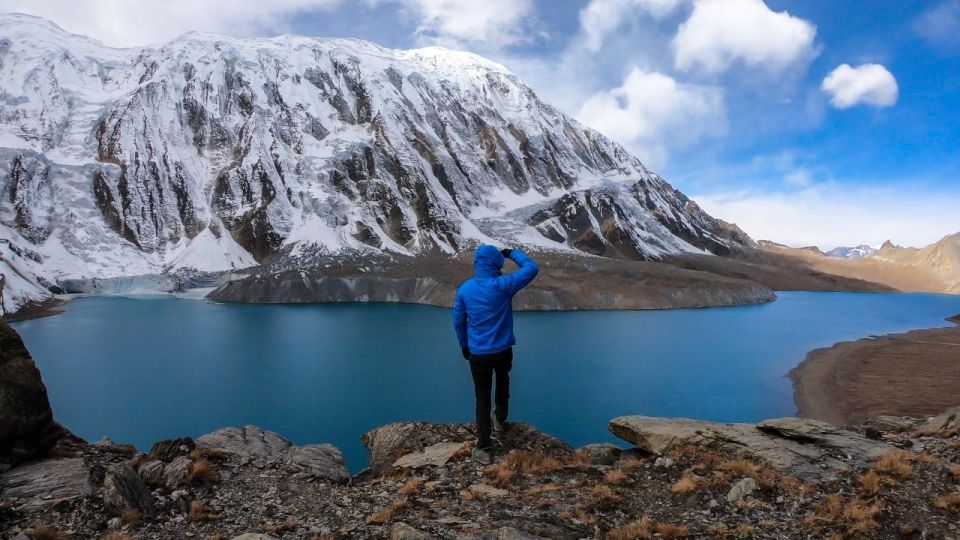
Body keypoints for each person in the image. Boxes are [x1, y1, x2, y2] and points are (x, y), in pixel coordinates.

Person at [452, 245, 539, 463]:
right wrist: (512, 254)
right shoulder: (503, 285)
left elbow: (459, 321)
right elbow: (531, 268)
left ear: (477, 263)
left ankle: (483, 447)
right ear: (496, 263)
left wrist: (464, 345)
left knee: (481, 396)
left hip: (477, 353)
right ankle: (500, 419)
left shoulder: (465, 289)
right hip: (502, 350)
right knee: (503, 381)